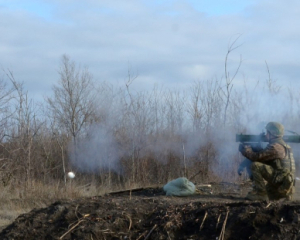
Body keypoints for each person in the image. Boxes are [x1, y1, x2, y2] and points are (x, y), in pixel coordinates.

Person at [239, 122, 295, 201]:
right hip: (285, 185)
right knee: (269, 196)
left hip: (279, 180)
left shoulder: (276, 147)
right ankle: (284, 194)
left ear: (272, 134)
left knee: (255, 165)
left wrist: (245, 150)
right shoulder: (285, 146)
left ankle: (260, 193)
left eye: (267, 132)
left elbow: (256, 158)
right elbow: (270, 161)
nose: (265, 135)